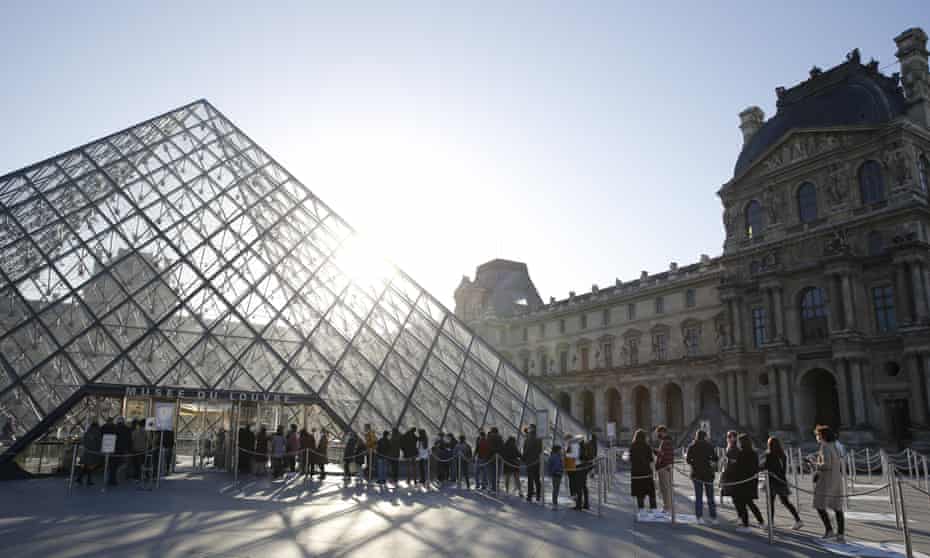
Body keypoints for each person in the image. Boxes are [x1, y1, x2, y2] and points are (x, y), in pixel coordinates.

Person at [762, 436, 803, 530]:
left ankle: (771, 523)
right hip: (781, 480)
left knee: (770, 503)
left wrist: (759, 467)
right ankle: (798, 520)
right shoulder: (783, 455)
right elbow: (782, 469)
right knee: (786, 502)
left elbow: (766, 467)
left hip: (772, 481)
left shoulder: (769, 455)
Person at [813, 425, 845, 542]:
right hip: (836, 479)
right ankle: (840, 533)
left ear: (822, 435)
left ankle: (829, 530)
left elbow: (827, 465)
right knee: (837, 507)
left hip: (826, 480)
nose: (816, 437)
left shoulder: (825, 447)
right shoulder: (835, 445)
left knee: (819, 505)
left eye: (817, 434)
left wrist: (814, 464)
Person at [733, 433, 765, 531]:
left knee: (742, 503)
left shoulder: (740, 453)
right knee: (749, 503)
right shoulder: (754, 453)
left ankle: (746, 524)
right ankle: (761, 521)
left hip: (742, 481)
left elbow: (738, 468)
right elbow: (756, 467)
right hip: (751, 481)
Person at [686, 430, 718, 525]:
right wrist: (709, 461)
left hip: (696, 474)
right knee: (710, 497)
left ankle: (699, 517)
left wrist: (694, 463)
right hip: (708, 474)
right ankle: (713, 517)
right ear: (704, 437)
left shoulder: (692, 446)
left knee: (698, 497)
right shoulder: (709, 446)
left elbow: (688, 460)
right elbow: (715, 458)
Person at [629, 428, 657, 519]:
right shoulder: (647, 446)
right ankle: (653, 510)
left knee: (639, 493)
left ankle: (641, 510)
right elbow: (651, 460)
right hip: (646, 473)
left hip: (636, 473)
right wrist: (653, 472)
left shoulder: (632, 447)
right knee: (651, 492)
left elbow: (631, 460)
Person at [654, 425, 674, 515]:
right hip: (665, 467)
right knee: (665, 488)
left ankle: (667, 508)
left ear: (663, 432)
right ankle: (667, 506)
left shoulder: (666, 442)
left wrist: (655, 451)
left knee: (665, 489)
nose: (658, 435)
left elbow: (664, 455)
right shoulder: (666, 441)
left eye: (659, 433)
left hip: (664, 467)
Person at [77, 420, 102, 486]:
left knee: (85, 465)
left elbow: (83, 441)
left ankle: (80, 478)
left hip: (86, 451)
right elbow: (99, 442)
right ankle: (88, 480)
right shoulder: (98, 432)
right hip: (93, 452)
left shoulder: (87, 432)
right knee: (90, 467)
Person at [523, 424, 542, 502]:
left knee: (530, 479)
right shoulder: (539, 437)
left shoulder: (529, 437)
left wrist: (523, 457)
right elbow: (540, 449)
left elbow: (527, 448)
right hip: (536, 460)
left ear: (531, 429)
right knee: (537, 479)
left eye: (529, 428)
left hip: (530, 461)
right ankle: (538, 495)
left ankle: (529, 496)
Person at [721, 430, 739, 506]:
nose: (727, 438)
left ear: (734, 438)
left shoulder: (734, 447)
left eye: (729, 437)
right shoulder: (729, 446)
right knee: (725, 486)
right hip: (728, 469)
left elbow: (735, 459)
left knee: (731, 487)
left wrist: (728, 460)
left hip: (732, 470)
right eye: (728, 437)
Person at [574, 435, 592, 510]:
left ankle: (579, 505)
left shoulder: (579, 447)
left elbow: (579, 457)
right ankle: (586, 504)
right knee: (584, 486)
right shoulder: (586, 446)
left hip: (580, 468)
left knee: (578, 487)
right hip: (585, 468)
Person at [487, 427, 503, 493]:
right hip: (498, 457)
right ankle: (495, 486)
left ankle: (492, 487)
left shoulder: (489, 438)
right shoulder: (500, 438)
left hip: (491, 457)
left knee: (491, 473)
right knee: (497, 473)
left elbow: (488, 447)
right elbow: (502, 447)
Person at [563, 434, 578, 498]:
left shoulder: (573, 445)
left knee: (573, 481)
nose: (566, 441)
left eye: (567, 439)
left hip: (572, 466)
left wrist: (565, 454)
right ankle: (573, 493)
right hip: (570, 466)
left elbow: (574, 455)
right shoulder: (570, 445)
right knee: (571, 480)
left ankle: (574, 494)